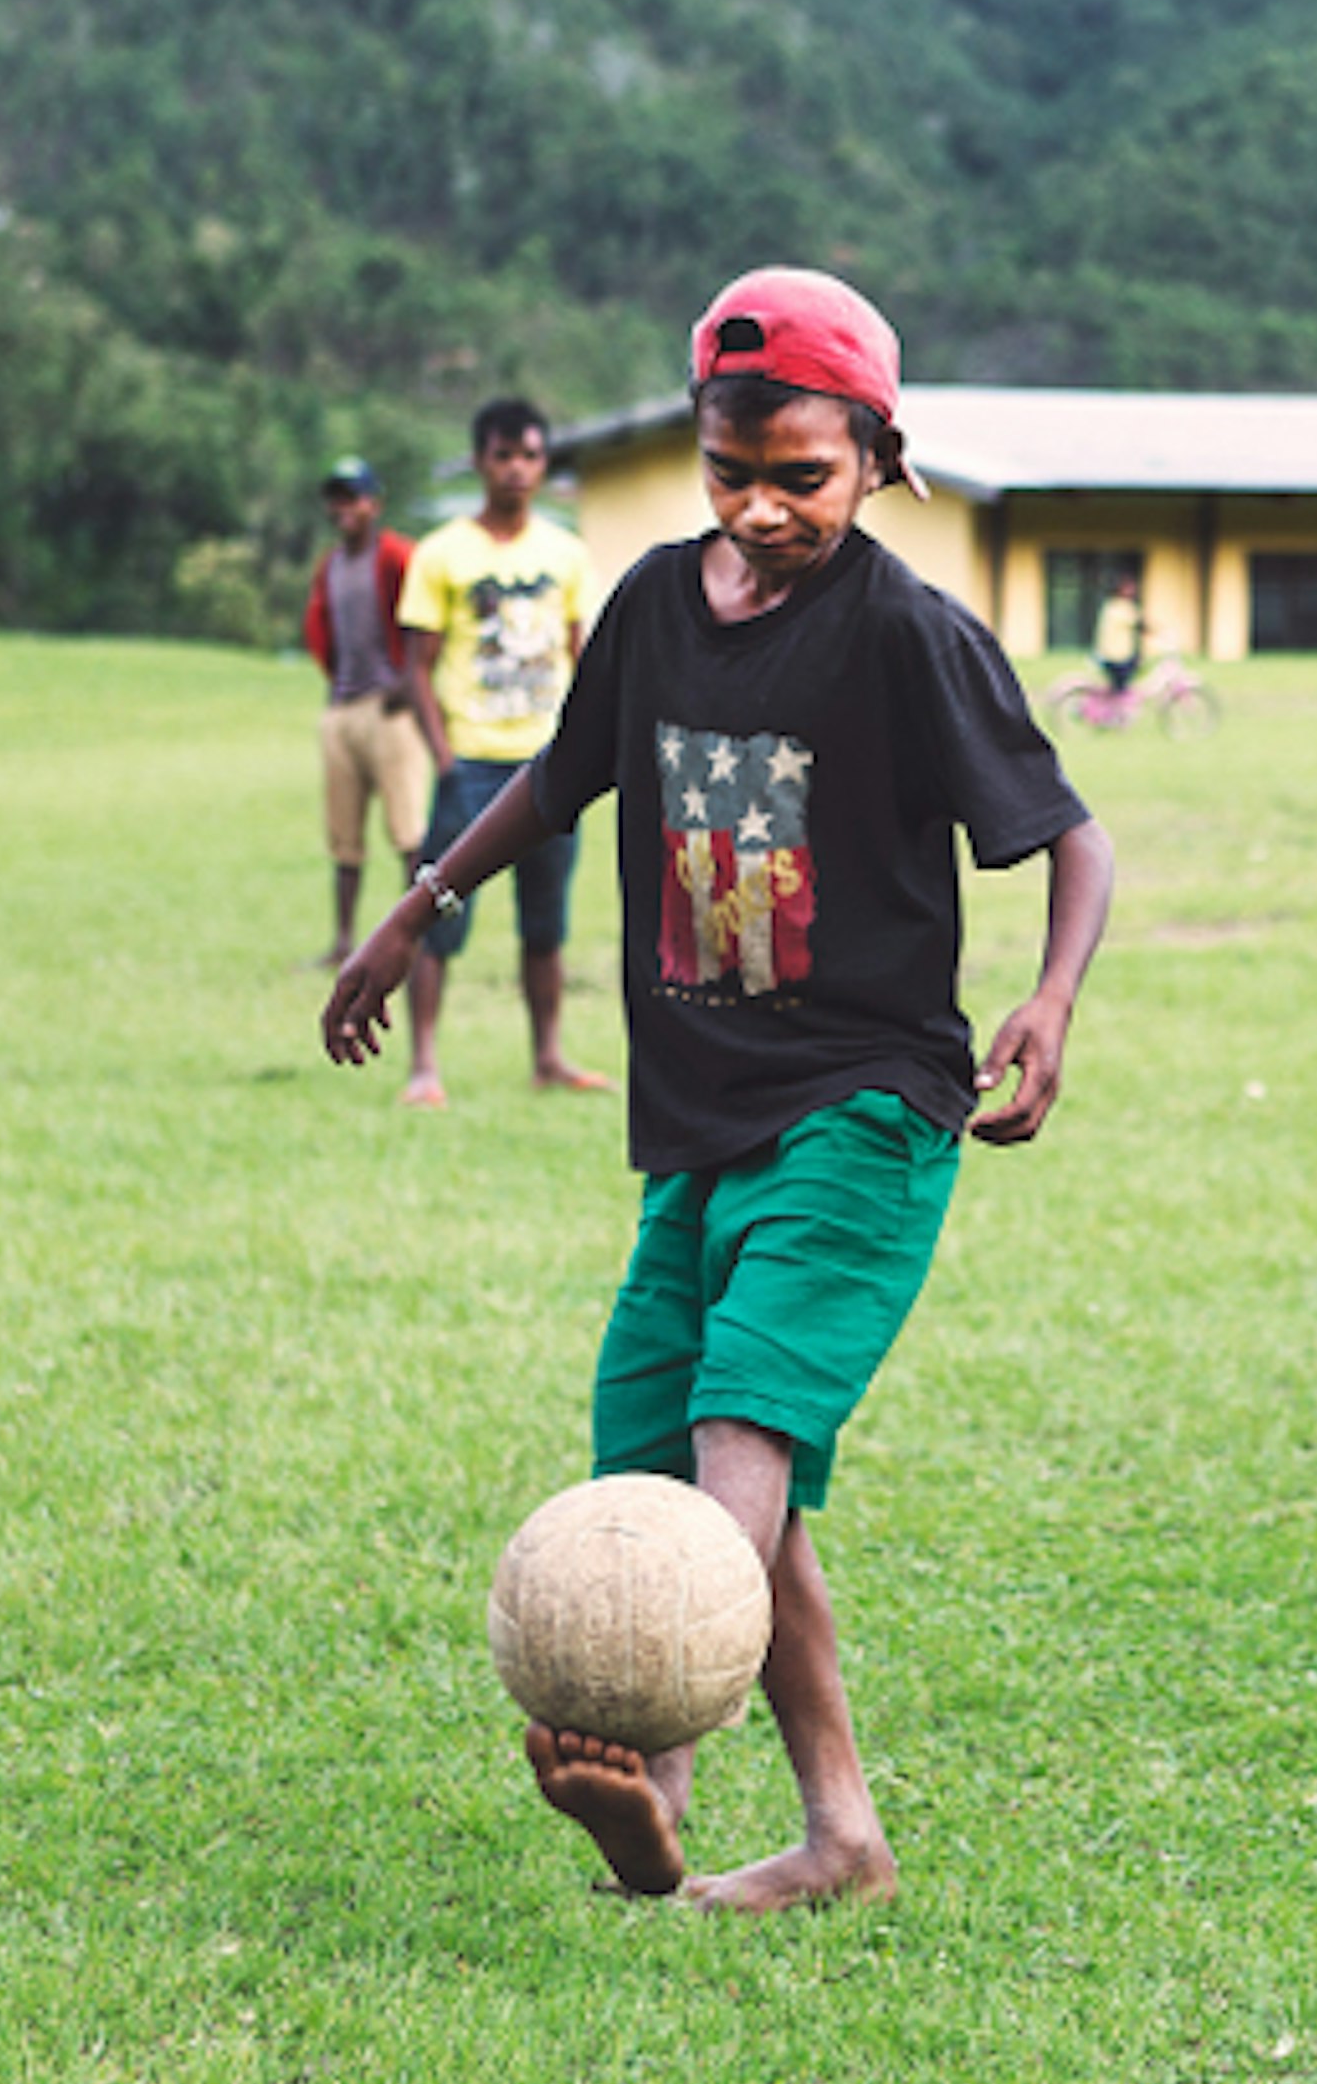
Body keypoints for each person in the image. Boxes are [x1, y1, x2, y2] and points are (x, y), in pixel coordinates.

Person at [323, 268, 1113, 1912]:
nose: (760, 507)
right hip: (700, 1115)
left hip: (870, 1102)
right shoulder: (661, 605)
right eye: (728, 466)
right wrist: (420, 901)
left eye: (801, 476)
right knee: (682, 1452)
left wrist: (1046, 997)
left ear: (879, 458)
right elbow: (559, 776)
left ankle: (653, 1793)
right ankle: (841, 1836)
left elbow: (1071, 832)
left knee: (741, 1424)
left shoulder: (910, 636)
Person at [393, 397, 603, 1107]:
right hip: (472, 764)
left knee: (545, 924)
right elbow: (416, 665)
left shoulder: (565, 552)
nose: (518, 470)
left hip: (547, 765)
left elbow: (583, 657)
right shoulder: (441, 553)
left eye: (531, 457)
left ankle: (548, 1057)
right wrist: (446, 758)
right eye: (504, 456)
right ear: (481, 460)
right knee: (438, 908)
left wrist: (583, 745)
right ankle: (424, 1064)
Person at [304, 455, 424, 970]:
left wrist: (410, 682)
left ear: (374, 504)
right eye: (337, 498)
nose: (344, 508)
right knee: (344, 837)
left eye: (353, 497)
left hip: (390, 710)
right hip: (344, 707)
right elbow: (323, 631)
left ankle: (415, 942)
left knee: (409, 834)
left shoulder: (397, 556)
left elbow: (428, 620)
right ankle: (342, 941)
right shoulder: (330, 566)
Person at [1091, 571, 1145, 696]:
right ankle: (1119, 703)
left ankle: (1119, 699)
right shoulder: (1123, 607)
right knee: (1129, 672)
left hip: (1107, 653)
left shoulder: (1110, 605)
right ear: (1120, 589)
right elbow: (1140, 624)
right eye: (1129, 587)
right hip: (1117, 656)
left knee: (1127, 676)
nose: (1133, 590)